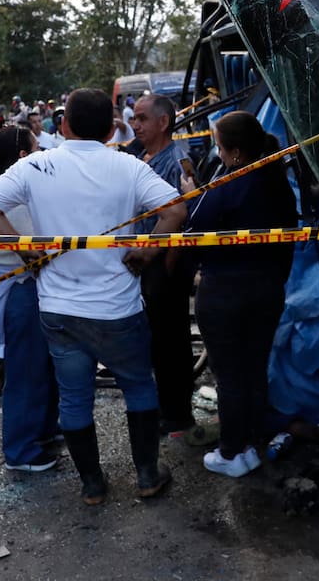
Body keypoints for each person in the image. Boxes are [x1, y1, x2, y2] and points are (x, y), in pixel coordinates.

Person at [0, 88, 186, 505]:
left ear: (64, 125)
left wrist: (22, 246)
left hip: (58, 309)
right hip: (118, 307)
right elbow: (175, 211)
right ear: (111, 128)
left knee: (74, 396)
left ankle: (92, 485)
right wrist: (146, 251)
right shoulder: (128, 166)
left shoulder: (35, 165)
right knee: (139, 386)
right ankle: (146, 475)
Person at [180, 111, 298, 477]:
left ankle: (233, 452)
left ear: (234, 152)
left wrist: (190, 194)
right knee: (254, 369)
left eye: (218, 147)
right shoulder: (277, 181)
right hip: (268, 288)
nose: (216, 154)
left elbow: (194, 231)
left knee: (228, 374)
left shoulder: (227, 185)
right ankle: (252, 442)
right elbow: (288, 243)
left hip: (225, 291)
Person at [0, 126, 60, 472]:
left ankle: (40, 432)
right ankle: (20, 450)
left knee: (41, 368)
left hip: (27, 288)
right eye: (36, 149)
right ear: (23, 156)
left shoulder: (5, 188)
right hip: (20, 289)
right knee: (26, 372)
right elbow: (35, 242)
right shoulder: (11, 195)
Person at [130, 94, 196, 436]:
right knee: (155, 340)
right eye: (133, 118)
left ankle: (178, 415)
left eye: (141, 118)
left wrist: (167, 267)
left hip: (165, 266)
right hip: (145, 263)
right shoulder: (142, 157)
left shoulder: (177, 161)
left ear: (163, 122)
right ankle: (163, 406)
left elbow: (186, 220)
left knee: (172, 342)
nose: (134, 124)